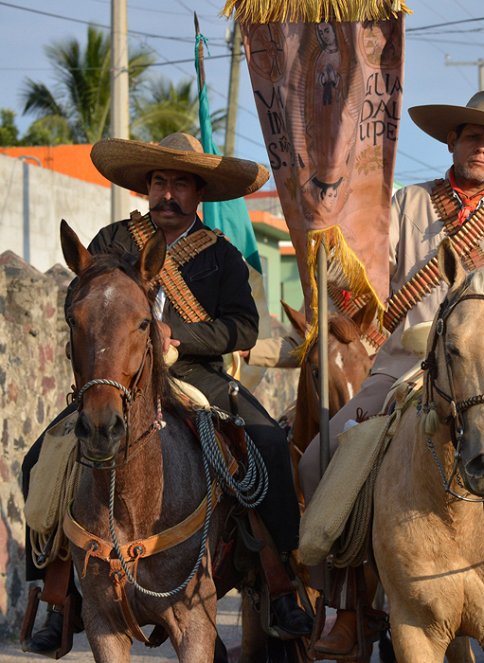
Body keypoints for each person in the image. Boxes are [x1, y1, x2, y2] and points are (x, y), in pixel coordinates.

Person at [299, 90, 484, 655]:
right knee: (319, 458)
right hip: (409, 364)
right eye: (471, 137)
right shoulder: (406, 205)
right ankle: (347, 605)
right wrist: (331, 236)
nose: (481, 148)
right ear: (451, 142)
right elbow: (359, 275)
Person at [22, 132, 312, 656]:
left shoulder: (221, 255)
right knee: (42, 456)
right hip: (118, 374)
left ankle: (279, 581)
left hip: (195, 374)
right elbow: (84, 292)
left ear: (198, 193)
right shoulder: (113, 241)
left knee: (268, 443)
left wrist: (175, 337)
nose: (168, 194)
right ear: (146, 187)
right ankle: (56, 597)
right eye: (159, 182)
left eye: (180, 183)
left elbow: (243, 328)